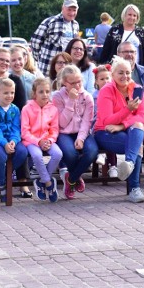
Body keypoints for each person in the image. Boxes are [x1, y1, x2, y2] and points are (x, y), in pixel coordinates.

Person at [94, 56, 144, 204]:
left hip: (125, 130)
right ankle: (134, 189)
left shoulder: (136, 89)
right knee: (136, 146)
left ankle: (128, 164)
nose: (125, 76)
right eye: (121, 73)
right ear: (113, 75)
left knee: (138, 128)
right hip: (104, 132)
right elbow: (107, 121)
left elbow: (142, 116)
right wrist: (127, 110)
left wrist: (122, 125)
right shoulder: (106, 91)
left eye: (128, 73)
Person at [53, 65, 98, 199]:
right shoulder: (57, 97)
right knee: (70, 154)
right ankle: (76, 178)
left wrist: (81, 138)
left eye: (79, 81)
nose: (78, 85)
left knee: (92, 152)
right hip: (64, 132)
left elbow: (87, 121)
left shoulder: (87, 96)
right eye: (73, 83)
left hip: (82, 131)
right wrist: (71, 101)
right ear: (64, 83)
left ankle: (71, 179)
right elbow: (61, 122)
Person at [0, 77, 30, 200]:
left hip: (11, 140)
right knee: (0, 156)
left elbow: (16, 128)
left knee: (22, 152)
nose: (9, 95)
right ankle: (2, 185)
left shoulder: (15, 109)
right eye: (5, 93)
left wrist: (14, 141)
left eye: (12, 92)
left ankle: (2, 177)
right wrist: (5, 144)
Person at [22, 77, 62, 203]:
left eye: (47, 91)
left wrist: (50, 140)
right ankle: (49, 183)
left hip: (47, 140)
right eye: (41, 92)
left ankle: (41, 181)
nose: (45, 95)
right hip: (32, 141)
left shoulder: (53, 109)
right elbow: (25, 132)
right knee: (37, 155)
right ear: (34, 93)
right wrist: (38, 142)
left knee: (58, 154)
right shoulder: (27, 109)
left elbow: (54, 130)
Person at [30, 0, 81, 76]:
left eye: (74, 10)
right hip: (48, 68)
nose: (72, 13)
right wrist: (38, 58)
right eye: (69, 9)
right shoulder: (50, 22)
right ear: (63, 8)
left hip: (66, 70)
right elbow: (35, 41)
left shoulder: (75, 25)